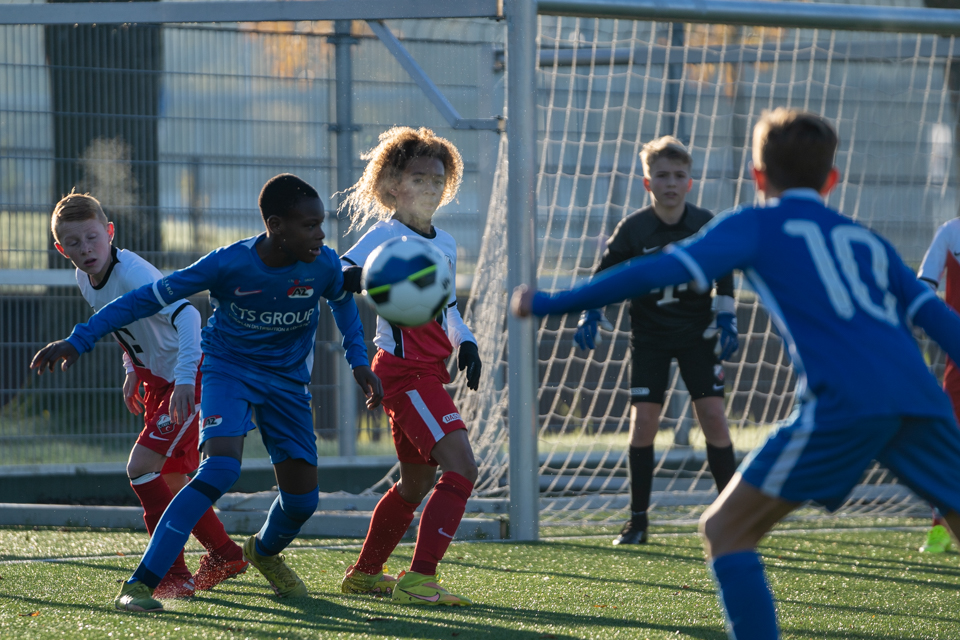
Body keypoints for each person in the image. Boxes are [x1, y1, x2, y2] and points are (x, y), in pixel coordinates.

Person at [512, 108, 960, 639]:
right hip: (921, 399)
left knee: (724, 530)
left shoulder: (754, 224)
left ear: (758, 177)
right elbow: (941, 323)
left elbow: (655, 269)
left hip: (844, 403)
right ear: (832, 180)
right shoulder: (866, 241)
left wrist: (555, 302)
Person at [31, 174, 383, 613]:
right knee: (218, 470)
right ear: (275, 226)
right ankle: (143, 582)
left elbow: (342, 300)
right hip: (226, 372)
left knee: (301, 502)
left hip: (288, 384)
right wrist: (80, 339)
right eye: (310, 226)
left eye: (320, 224)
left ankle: (261, 552)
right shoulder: (228, 263)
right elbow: (142, 302)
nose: (321, 234)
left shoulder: (324, 264)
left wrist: (359, 361)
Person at [46, 191, 247, 599]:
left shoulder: (133, 273)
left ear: (109, 232)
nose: (85, 249)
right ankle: (225, 555)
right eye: (74, 243)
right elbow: (123, 325)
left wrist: (185, 381)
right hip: (159, 382)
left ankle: (173, 574)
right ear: (60, 249)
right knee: (170, 479)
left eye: (92, 238)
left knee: (140, 467)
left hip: (191, 376)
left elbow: (188, 314)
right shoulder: (84, 277)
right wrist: (132, 371)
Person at [336, 126, 481, 606]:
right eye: (419, 179)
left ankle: (364, 574)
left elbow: (448, 308)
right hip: (405, 372)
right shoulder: (385, 234)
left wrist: (466, 343)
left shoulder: (447, 243)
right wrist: (367, 276)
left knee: (415, 484)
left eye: (438, 180)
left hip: (430, 371)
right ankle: (419, 578)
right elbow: (339, 272)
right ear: (393, 186)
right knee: (462, 467)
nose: (430, 189)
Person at [574, 136, 739, 545]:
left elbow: (725, 272)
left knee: (714, 417)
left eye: (679, 175)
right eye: (662, 175)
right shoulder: (634, 228)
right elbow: (604, 274)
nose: (671, 183)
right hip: (649, 337)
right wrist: (590, 311)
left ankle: (736, 519)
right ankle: (638, 521)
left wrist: (727, 317)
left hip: (698, 335)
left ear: (690, 182)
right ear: (648, 183)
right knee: (644, 422)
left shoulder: (704, 223)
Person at [917, 220, 960, 554]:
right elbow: (923, 288)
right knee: (947, 440)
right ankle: (939, 526)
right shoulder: (951, 232)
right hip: (957, 359)